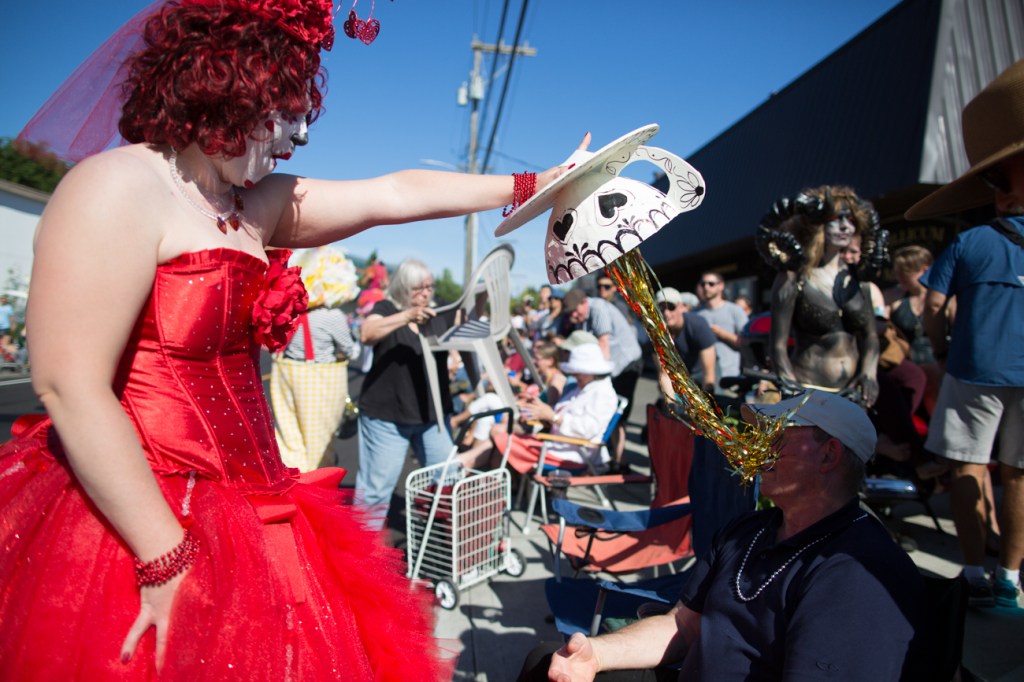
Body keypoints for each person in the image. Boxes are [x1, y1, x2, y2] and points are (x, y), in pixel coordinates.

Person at [0, 1, 573, 678]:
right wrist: (163, 554)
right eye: (287, 109)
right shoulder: (117, 185)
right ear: (231, 82)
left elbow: (392, 194)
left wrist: (536, 185)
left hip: (257, 502)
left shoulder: (254, 206)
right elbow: (69, 384)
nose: (299, 135)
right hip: (138, 508)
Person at [519, 390, 928, 681]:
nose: (759, 446)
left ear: (829, 454)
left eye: (777, 435)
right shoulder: (748, 530)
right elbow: (683, 627)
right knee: (548, 662)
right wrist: (596, 654)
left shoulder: (858, 570)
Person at [905, 58, 1024, 609]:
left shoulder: (970, 242)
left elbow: (933, 305)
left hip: (975, 366)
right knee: (1019, 474)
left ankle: (975, 574)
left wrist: (942, 346)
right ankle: (1012, 578)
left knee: (968, 467)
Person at [356, 259, 459, 523]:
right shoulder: (387, 308)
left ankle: (441, 537)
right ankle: (362, 546)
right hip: (387, 418)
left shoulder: (438, 310)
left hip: (432, 417)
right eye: (418, 288)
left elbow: (461, 331)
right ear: (403, 287)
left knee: (449, 480)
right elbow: (366, 333)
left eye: (429, 287)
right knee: (376, 492)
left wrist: (455, 356)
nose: (426, 293)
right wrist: (407, 316)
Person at [762, 187, 881, 406]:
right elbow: (777, 345)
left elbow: (870, 335)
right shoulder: (793, 277)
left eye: (850, 220)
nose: (845, 226)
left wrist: (869, 373)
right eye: (836, 219)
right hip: (808, 393)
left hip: (852, 396)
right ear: (816, 224)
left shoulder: (858, 279)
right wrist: (791, 389)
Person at [270, 245, 360, 472]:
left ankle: (293, 476)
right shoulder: (332, 317)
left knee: (290, 437)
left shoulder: (289, 312)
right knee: (319, 443)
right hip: (320, 380)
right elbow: (352, 352)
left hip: (287, 376)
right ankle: (316, 481)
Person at [492, 344, 618, 476]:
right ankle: (504, 483)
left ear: (591, 371)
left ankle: (500, 483)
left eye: (578, 371)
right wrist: (537, 408)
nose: (574, 375)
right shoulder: (584, 388)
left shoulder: (603, 393)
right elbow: (559, 411)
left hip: (571, 454)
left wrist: (552, 417)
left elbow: (587, 429)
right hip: (558, 446)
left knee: (503, 439)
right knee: (502, 437)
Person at [562, 288, 642, 471]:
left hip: (627, 362)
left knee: (618, 415)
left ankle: (620, 461)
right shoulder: (581, 318)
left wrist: (599, 378)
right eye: (571, 313)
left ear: (584, 301)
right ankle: (610, 457)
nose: (574, 315)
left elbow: (603, 343)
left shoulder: (598, 308)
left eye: (576, 310)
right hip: (611, 366)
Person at [693, 271, 749, 394]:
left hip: (729, 379)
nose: (706, 287)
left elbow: (747, 343)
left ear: (721, 286)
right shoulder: (696, 314)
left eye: (711, 284)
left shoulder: (735, 310)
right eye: (703, 284)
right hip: (702, 379)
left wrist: (721, 333)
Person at [655, 287, 716, 394]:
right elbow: (664, 374)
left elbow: (708, 375)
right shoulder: (657, 333)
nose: (666, 313)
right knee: (665, 393)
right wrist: (671, 402)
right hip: (680, 374)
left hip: (702, 370)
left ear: (681, 307)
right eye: (662, 308)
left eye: (671, 307)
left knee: (714, 396)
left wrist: (707, 398)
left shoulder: (698, 325)